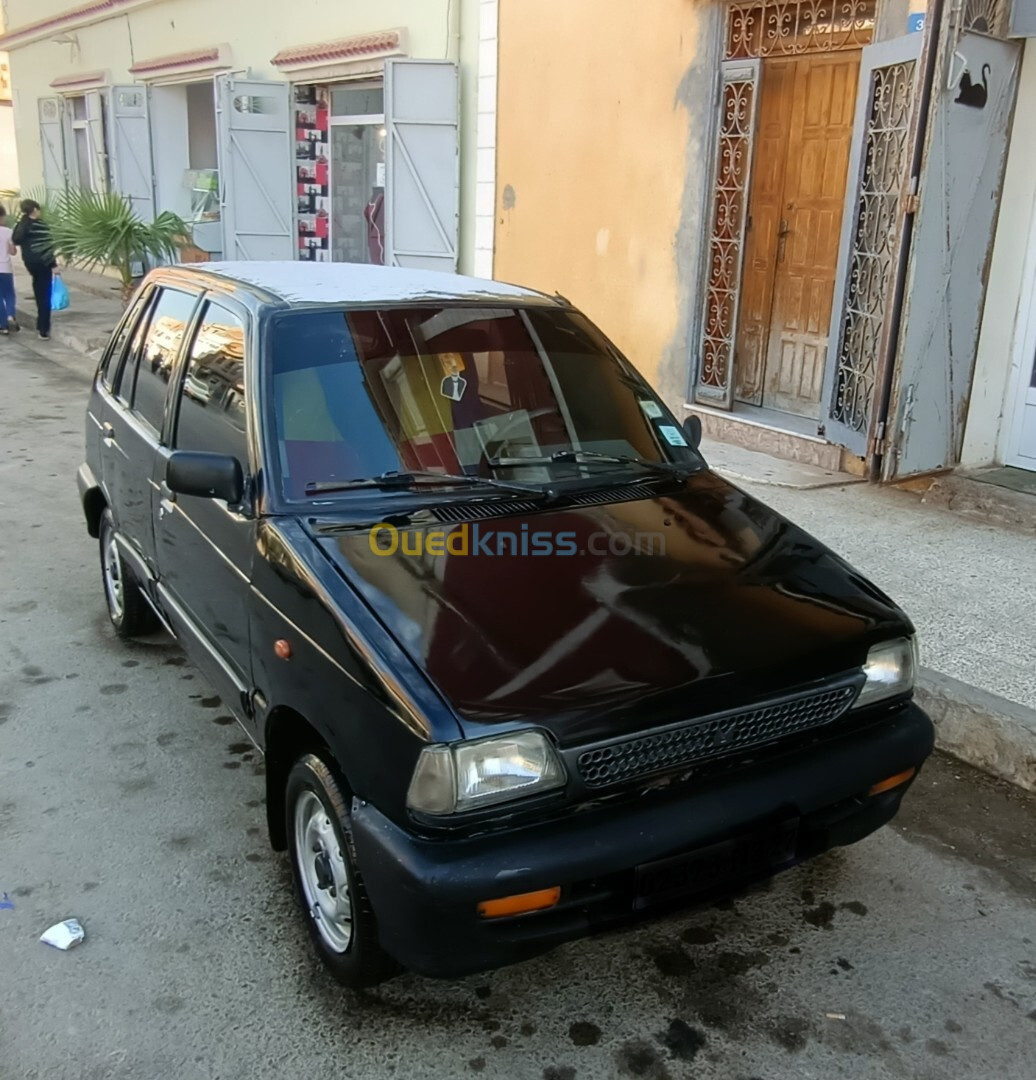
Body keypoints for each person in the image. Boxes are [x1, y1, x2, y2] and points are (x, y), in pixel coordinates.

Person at [12, 200, 58, 340]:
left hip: (30, 263)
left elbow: (15, 240)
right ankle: (43, 329)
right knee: (45, 295)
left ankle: (40, 323)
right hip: (43, 263)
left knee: (38, 291)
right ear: (34, 210)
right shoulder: (40, 225)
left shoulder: (21, 225)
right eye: (39, 209)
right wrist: (54, 265)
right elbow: (47, 247)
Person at [0, 205, 18, 335]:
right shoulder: (8, 231)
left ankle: (3, 326)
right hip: (5, 268)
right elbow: (12, 252)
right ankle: (11, 315)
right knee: (9, 294)